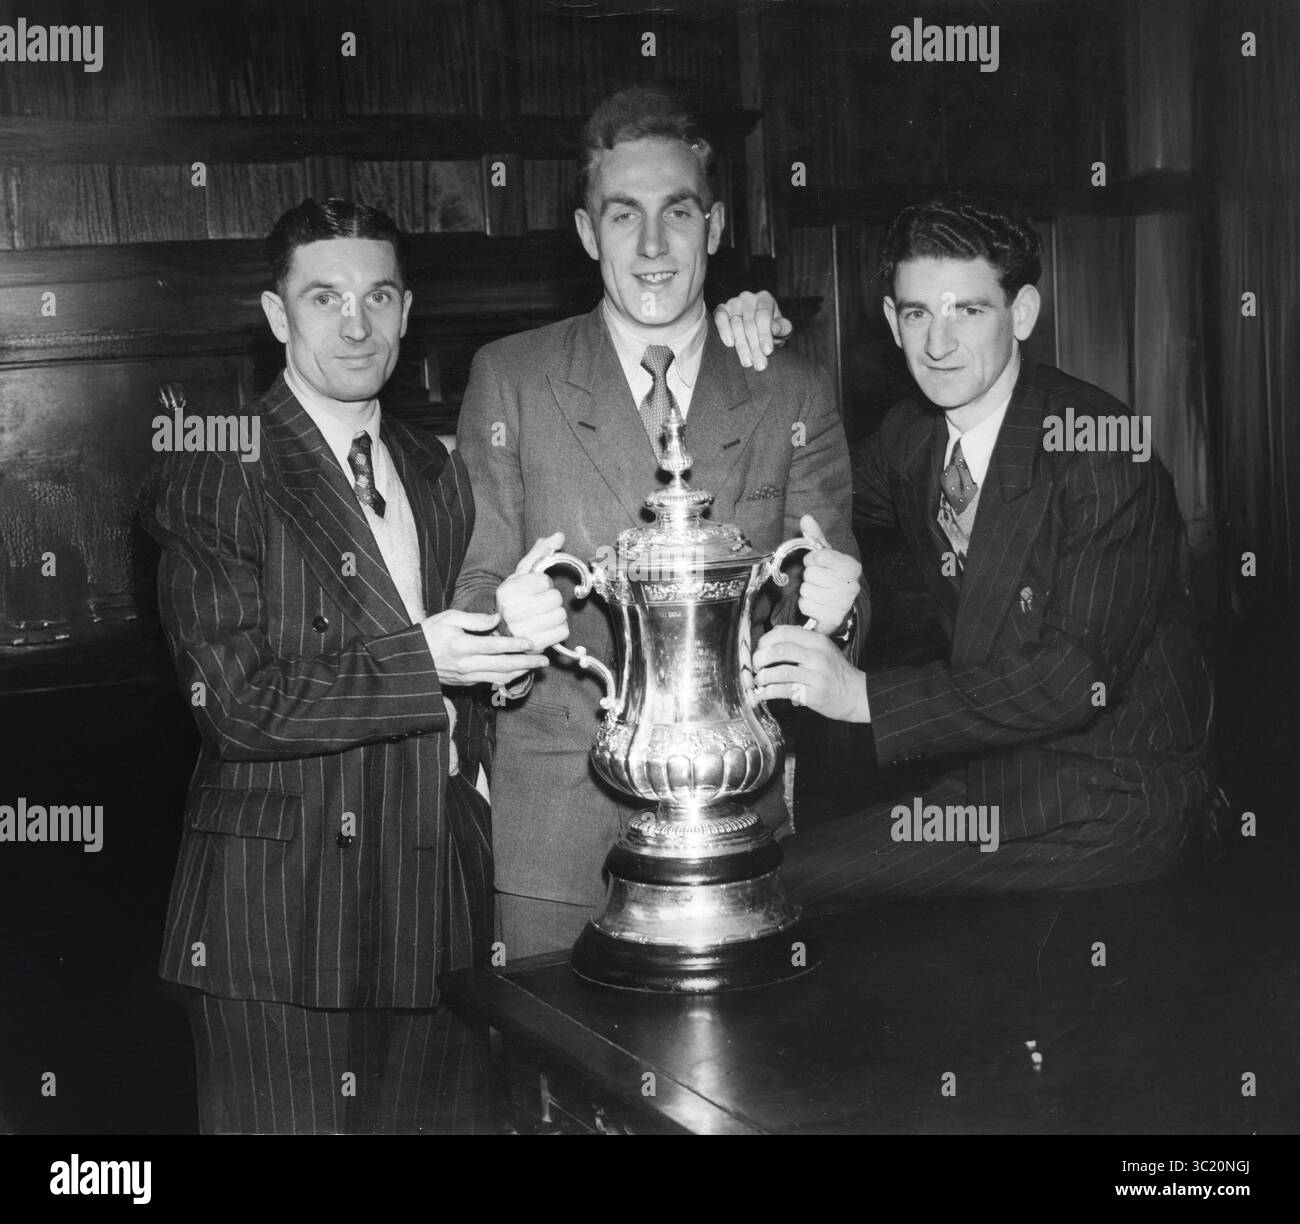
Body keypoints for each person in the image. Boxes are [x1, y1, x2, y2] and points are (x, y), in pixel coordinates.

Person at [144, 198, 549, 1133]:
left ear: (408, 312)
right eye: (324, 298)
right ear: (278, 316)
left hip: (439, 903)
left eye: (378, 296)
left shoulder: (431, 462)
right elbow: (236, 706)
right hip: (283, 921)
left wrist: (506, 661)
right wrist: (431, 662)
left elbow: (458, 661)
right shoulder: (221, 464)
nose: (356, 323)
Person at [454, 88, 865, 958]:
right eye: (621, 215)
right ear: (584, 232)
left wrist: (835, 613)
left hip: (734, 828)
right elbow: (476, 592)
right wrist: (508, 628)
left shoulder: (791, 388)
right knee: (547, 1083)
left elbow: (836, 602)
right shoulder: (511, 379)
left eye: (676, 213)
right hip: (557, 839)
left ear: (713, 228)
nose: (650, 247)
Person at [754, 194, 1212, 902]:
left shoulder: (1103, 448)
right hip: (995, 775)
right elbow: (807, 490)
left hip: (1111, 792)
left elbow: (1072, 676)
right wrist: (738, 351)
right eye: (917, 314)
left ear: (1021, 313)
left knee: (786, 887)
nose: (938, 344)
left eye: (967, 310)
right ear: (890, 321)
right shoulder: (913, 436)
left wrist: (861, 695)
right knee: (775, 874)